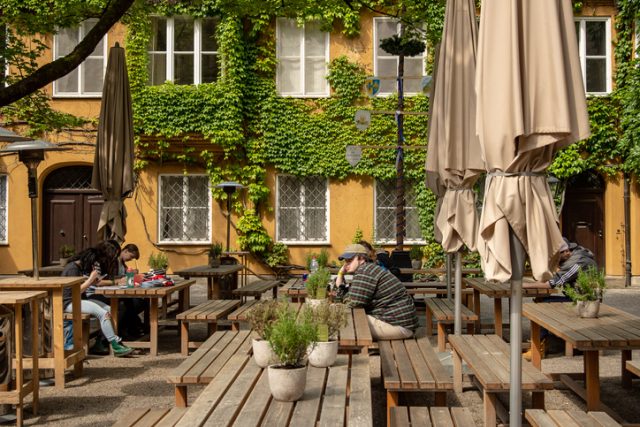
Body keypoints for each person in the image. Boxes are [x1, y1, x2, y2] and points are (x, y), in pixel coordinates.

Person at [522, 237, 597, 360]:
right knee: (541, 301)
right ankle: (541, 342)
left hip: (585, 304)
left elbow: (551, 284)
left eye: (554, 255)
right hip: (579, 299)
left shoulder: (576, 263)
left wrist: (524, 285)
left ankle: (539, 348)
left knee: (541, 306)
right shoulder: (575, 256)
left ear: (565, 252)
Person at [62, 243, 134, 357]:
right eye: (93, 264)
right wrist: (90, 280)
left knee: (110, 309)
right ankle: (115, 345)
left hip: (79, 300)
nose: (93, 267)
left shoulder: (78, 267)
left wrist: (92, 280)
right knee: (103, 313)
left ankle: (105, 341)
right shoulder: (72, 269)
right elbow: (74, 292)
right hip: (69, 303)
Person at [338, 243, 418, 340]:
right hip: (402, 324)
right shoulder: (369, 268)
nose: (346, 264)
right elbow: (353, 297)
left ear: (361, 259)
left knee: (347, 321)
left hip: (399, 326)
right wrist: (340, 275)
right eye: (345, 261)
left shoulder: (365, 271)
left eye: (350, 260)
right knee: (348, 319)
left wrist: (341, 287)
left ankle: (348, 350)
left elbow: (353, 303)